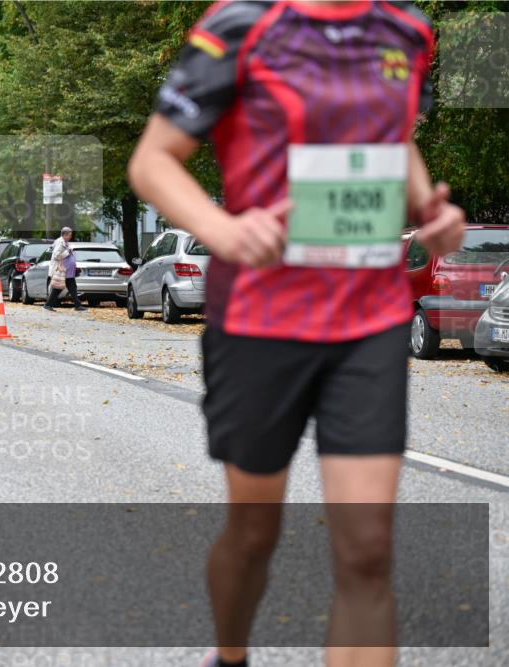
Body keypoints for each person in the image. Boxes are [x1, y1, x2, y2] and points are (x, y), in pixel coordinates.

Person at [126, 3, 465, 667]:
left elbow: (393, 141)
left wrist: (429, 207)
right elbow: (153, 162)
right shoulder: (239, 27)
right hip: (259, 322)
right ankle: (229, 654)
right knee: (255, 531)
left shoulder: (408, 30)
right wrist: (222, 231)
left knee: (367, 550)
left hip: (369, 317)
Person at [43, 227, 87, 312]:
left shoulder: (64, 242)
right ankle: (48, 304)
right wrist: (67, 251)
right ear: (65, 234)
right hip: (63, 270)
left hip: (68, 270)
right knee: (58, 288)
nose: (70, 236)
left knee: (72, 287)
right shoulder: (60, 242)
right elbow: (56, 255)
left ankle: (78, 305)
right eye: (69, 235)